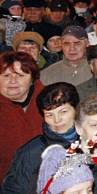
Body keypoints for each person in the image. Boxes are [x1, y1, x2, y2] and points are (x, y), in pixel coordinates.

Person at [1, 82, 81, 194]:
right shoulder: (30, 152)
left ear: (76, 110)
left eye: (63, 112)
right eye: (49, 115)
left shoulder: (94, 142)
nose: (57, 120)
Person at [0, 51, 44, 182]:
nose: (12, 81)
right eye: (6, 75)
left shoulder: (51, 102)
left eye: (20, 75)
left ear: (32, 79)